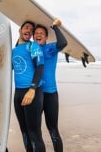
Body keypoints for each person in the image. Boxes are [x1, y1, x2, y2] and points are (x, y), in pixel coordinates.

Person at [33, 19, 67, 152]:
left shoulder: (51, 48)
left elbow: (63, 42)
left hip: (50, 94)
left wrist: (55, 27)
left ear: (46, 37)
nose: (39, 34)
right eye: (36, 33)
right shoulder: (31, 49)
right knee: (35, 130)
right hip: (35, 93)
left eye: (42, 33)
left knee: (52, 128)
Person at [12, 21, 46, 152]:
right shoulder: (13, 50)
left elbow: (40, 67)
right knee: (24, 132)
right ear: (20, 30)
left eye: (31, 30)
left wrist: (32, 89)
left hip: (33, 91)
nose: (29, 31)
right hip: (18, 93)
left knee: (34, 133)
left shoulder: (33, 46)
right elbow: (7, 68)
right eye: (26, 28)